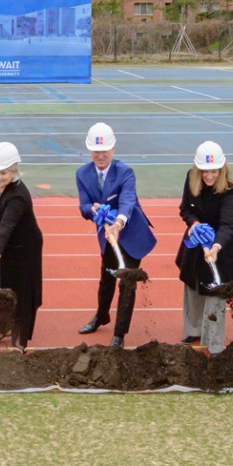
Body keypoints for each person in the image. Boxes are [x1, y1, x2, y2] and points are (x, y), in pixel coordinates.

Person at [75, 122, 156, 345]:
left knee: (127, 283)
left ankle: (119, 334)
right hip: (106, 236)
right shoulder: (82, 174)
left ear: (113, 149)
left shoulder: (125, 172)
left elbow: (127, 202)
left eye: (105, 150)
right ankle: (101, 316)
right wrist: (92, 210)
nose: (100, 155)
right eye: (96, 150)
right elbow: (83, 205)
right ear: (89, 150)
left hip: (130, 233)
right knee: (106, 277)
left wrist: (118, 224)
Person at [177, 141, 233, 352]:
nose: (209, 176)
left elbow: (228, 223)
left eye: (214, 171)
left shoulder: (230, 188)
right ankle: (194, 328)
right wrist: (195, 224)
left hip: (222, 244)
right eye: (205, 171)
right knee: (193, 283)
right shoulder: (191, 177)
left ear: (221, 169)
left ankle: (214, 342)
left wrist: (215, 246)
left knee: (216, 289)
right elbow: (185, 209)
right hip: (197, 239)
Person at [0, 141, 43, 349]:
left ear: (14, 170)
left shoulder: (18, 196)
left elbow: (7, 226)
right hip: (3, 244)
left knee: (19, 294)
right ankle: (1, 327)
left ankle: (19, 342)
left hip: (24, 249)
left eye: (3, 173)